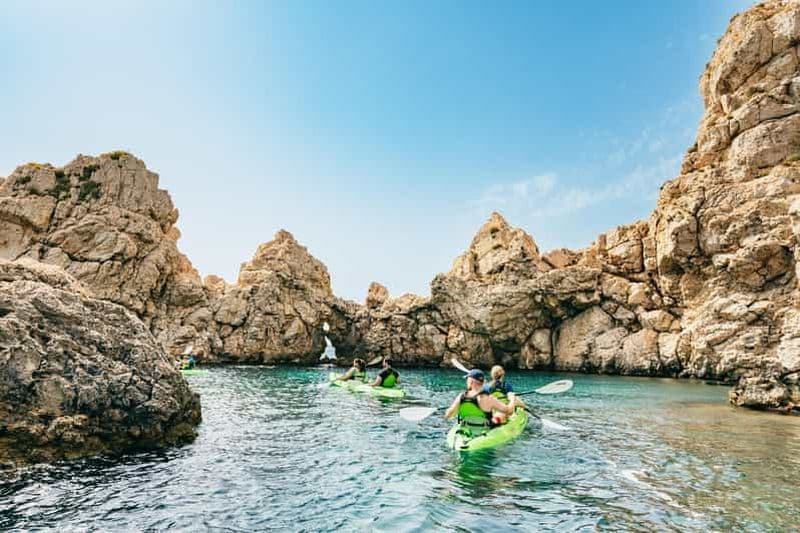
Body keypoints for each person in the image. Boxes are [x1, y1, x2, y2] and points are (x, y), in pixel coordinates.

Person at [444, 369, 524, 432]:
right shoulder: (489, 398)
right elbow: (509, 411)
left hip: (466, 426)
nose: (466, 381)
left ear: (471, 382)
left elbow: (448, 415)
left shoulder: (461, 396)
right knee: (500, 413)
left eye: (467, 379)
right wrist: (512, 399)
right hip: (485, 428)